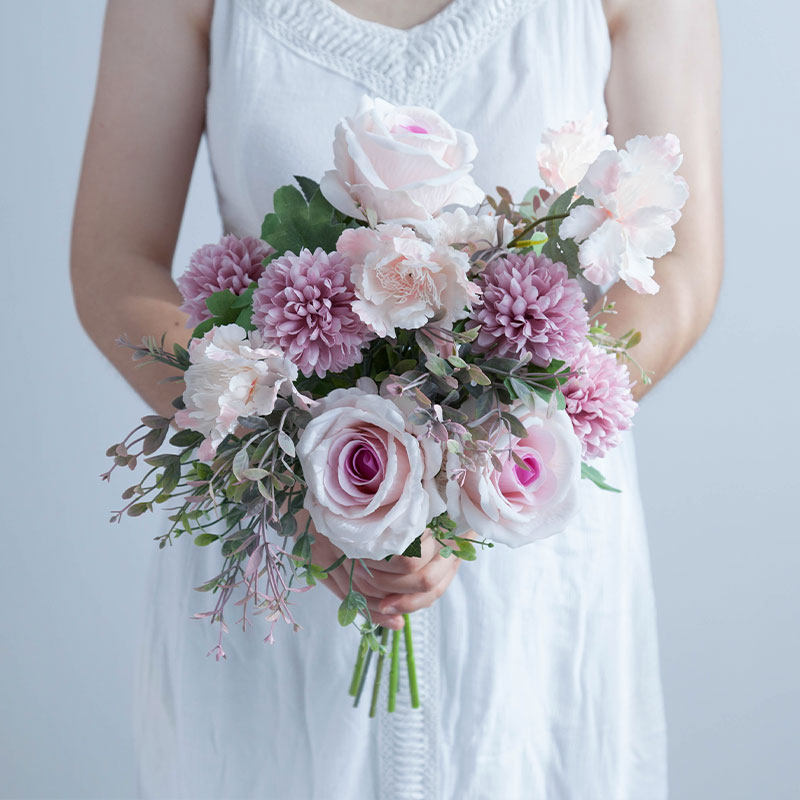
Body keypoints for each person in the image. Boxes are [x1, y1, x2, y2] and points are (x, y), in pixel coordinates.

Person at [71, 0, 723, 797]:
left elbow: (680, 268)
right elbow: (114, 260)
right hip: (277, 537)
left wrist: (482, 465)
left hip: (529, 540)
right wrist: (285, 472)